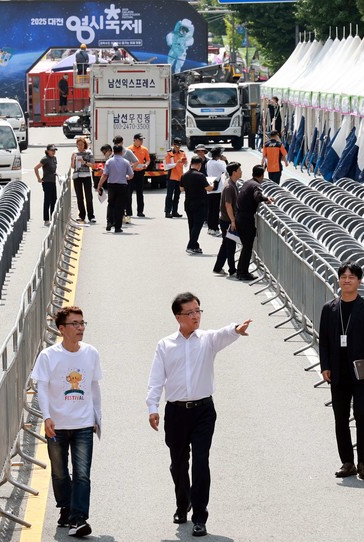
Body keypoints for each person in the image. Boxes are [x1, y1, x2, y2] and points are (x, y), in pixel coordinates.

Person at [146, 292, 252, 538]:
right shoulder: (165, 345)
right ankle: (182, 503)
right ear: (178, 317)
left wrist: (236, 329)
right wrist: (152, 407)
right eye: (190, 312)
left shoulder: (207, 339)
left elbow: (224, 333)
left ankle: (200, 517)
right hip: (176, 412)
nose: (196, 316)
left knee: (201, 462)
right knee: (178, 463)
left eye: (198, 311)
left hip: (203, 410)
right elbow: (155, 379)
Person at [31, 306, 102, 538]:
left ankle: (78, 518)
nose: (80, 328)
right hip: (57, 425)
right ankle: (66, 507)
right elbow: (41, 388)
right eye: (75, 324)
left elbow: (94, 386)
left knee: (82, 474)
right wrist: (47, 416)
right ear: (62, 329)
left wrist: (97, 416)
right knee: (60, 473)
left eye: (82, 323)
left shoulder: (91, 353)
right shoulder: (48, 356)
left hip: (83, 424)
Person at [319, 261, 364, 480]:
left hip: (361, 372)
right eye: (343, 277)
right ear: (339, 280)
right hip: (337, 371)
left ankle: (363, 462)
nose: (347, 280)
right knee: (340, 417)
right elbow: (324, 341)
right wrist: (325, 366)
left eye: (351, 277)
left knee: (362, 415)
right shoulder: (329, 308)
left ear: (359, 281)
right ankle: (347, 462)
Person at [234, 165, 274, 281]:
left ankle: (241, 271)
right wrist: (266, 199)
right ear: (262, 175)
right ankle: (243, 273)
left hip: (240, 216)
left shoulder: (248, 183)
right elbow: (257, 197)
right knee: (247, 246)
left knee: (245, 246)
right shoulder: (256, 185)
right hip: (246, 219)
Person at [180, 155, 214, 255]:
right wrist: (213, 184)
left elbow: (181, 189)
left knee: (191, 225)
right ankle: (191, 246)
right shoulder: (200, 175)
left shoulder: (184, 175)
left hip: (188, 203)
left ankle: (195, 246)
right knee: (198, 225)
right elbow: (208, 188)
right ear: (199, 164)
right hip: (199, 203)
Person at [213, 161, 241, 276]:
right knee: (230, 246)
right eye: (239, 170)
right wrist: (233, 220)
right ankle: (232, 270)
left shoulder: (231, 183)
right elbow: (228, 205)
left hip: (226, 219)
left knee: (226, 245)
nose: (241, 172)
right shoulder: (229, 187)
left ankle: (218, 267)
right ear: (234, 172)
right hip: (227, 221)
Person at [97, 144, 133, 233]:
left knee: (111, 204)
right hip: (122, 185)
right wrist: (126, 177)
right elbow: (131, 175)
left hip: (111, 185)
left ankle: (109, 222)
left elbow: (105, 175)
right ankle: (117, 227)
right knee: (120, 206)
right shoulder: (126, 162)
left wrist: (99, 185)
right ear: (121, 152)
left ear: (113, 151)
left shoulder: (109, 162)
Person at [112, 135, 138, 223]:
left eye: (118, 143)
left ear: (122, 142)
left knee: (127, 197)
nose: (117, 145)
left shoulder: (127, 152)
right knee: (119, 198)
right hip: (117, 178)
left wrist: (130, 169)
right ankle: (121, 215)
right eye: (116, 143)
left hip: (127, 178)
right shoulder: (114, 152)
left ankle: (128, 215)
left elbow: (136, 161)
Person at [71, 137, 96, 224]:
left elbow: (93, 165)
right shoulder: (74, 152)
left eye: (81, 144)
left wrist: (84, 162)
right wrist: (73, 159)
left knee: (88, 197)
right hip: (77, 176)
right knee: (79, 196)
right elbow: (72, 166)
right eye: (78, 145)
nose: (80, 146)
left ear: (84, 144)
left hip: (86, 176)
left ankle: (91, 216)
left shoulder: (88, 152)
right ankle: (81, 215)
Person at [205, 147, 227, 236]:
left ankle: (210, 228)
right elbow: (227, 170)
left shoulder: (208, 162)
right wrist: (225, 160)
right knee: (216, 210)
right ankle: (215, 228)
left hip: (210, 184)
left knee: (210, 209)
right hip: (217, 189)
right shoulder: (218, 163)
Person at [35, 144, 58, 226]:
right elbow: (36, 168)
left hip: (53, 181)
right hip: (47, 182)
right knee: (47, 200)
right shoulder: (45, 159)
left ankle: (53, 217)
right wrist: (39, 178)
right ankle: (46, 219)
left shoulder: (54, 158)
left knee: (54, 200)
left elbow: (53, 169)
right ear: (48, 151)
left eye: (54, 150)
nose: (53, 152)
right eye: (52, 150)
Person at [128, 133, 150, 218]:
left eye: (142, 140)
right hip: (131, 172)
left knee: (140, 193)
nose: (141, 141)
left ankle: (140, 211)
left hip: (140, 172)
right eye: (140, 139)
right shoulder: (129, 149)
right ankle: (128, 211)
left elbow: (147, 160)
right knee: (129, 192)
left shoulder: (144, 149)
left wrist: (146, 165)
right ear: (135, 140)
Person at [164, 137, 187, 218]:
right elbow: (166, 166)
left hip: (180, 177)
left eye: (179, 146)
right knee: (169, 195)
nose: (178, 147)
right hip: (171, 177)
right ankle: (167, 211)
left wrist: (185, 162)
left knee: (177, 195)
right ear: (173, 145)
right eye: (177, 146)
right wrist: (176, 163)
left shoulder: (182, 153)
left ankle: (174, 211)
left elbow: (185, 164)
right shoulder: (169, 153)